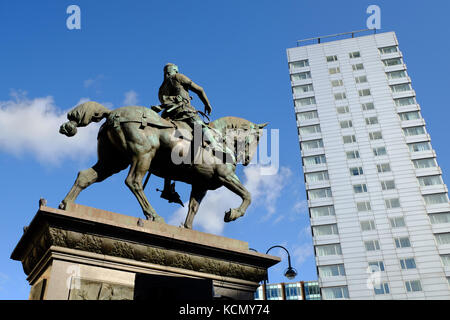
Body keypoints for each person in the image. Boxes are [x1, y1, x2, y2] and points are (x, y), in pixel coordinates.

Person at [152, 63, 234, 204]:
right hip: (184, 112)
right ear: (175, 71)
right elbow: (199, 90)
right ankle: (217, 149)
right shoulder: (178, 77)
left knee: (168, 153)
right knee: (201, 127)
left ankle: (167, 188)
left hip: (168, 116)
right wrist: (207, 103)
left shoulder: (161, 88)